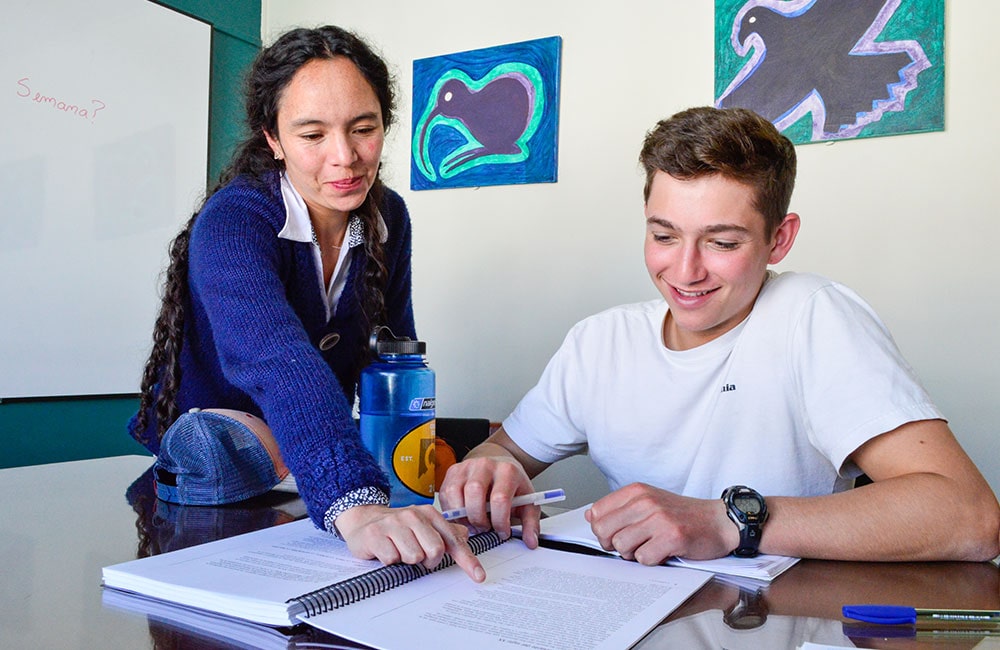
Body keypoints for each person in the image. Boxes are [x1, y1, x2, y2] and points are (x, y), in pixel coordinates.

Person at [441, 106, 1000, 564]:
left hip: (767, 621)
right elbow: (506, 451)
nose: (685, 272)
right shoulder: (599, 341)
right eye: (664, 235)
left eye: (723, 243)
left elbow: (970, 517)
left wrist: (727, 520)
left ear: (779, 240)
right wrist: (490, 470)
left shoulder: (812, 316)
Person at [129, 26, 484, 582]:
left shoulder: (388, 215)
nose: (344, 158)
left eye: (363, 129)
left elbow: (391, 361)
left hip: (309, 467)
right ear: (273, 139)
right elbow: (276, 357)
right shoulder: (236, 219)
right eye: (312, 134)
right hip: (216, 473)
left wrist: (465, 456)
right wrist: (354, 500)